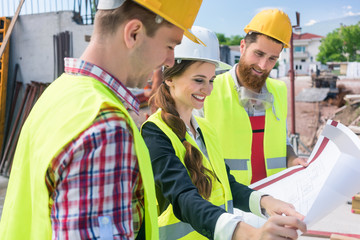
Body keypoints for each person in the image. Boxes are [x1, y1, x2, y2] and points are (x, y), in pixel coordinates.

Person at [0, 0, 204, 239]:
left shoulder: (58, 93)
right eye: (170, 45)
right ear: (134, 33)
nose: (171, 61)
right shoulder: (105, 125)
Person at [141, 26, 306, 240]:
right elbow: (184, 199)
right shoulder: (154, 133)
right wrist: (249, 235)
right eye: (199, 80)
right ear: (170, 77)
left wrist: (266, 202)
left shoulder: (205, 129)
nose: (208, 89)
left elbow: (227, 184)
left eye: (211, 80)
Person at [203, 9, 308, 186]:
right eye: (258, 54)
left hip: (272, 199)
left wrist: (292, 159)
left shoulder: (279, 90)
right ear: (243, 46)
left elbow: (283, 141)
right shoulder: (209, 89)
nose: (263, 65)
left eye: (272, 59)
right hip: (227, 202)